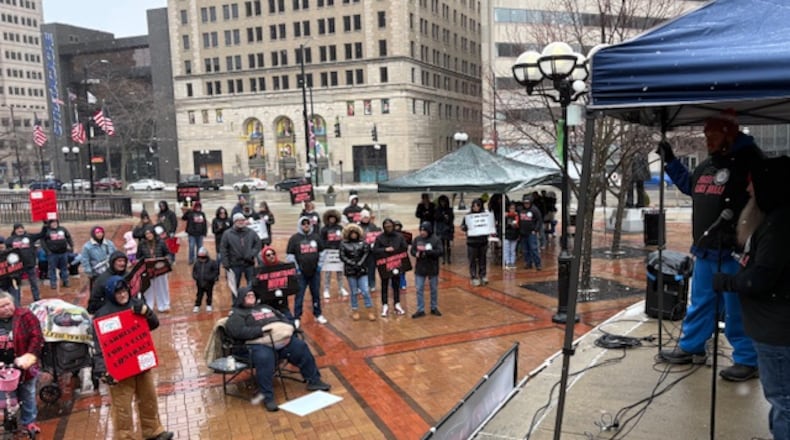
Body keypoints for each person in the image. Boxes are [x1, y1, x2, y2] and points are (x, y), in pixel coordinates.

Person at [658, 109, 762, 381]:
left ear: (729, 134)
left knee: (736, 306)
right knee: (701, 301)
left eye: (712, 136)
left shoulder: (750, 161)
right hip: (706, 249)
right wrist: (670, 161)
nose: (708, 141)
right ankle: (691, 346)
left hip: (734, 252)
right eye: (706, 136)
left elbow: (766, 199)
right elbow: (690, 185)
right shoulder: (709, 164)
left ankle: (747, 359)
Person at [712, 156, 790, 439]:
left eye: (753, 186)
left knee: (783, 399)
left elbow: (761, 278)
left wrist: (729, 281)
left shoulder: (780, 226)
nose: (748, 191)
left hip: (777, 331)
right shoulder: (775, 220)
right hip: (772, 328)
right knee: (781, 398)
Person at [91, 276, 174, 440]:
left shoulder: (136, 305)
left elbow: (154, 324)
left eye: (124, 291)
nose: (122, 295)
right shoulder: (102, 315)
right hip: (119, 370)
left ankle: (153, 431)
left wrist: (147, 312)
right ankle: (125, 437)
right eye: (118, 293)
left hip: (141, 365)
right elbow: (99, 345)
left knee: (149, 399)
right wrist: (102, 370)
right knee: (122, 408)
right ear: (110, 294)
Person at [225, 287, 331, 412]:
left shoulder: (265, 307)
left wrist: (285, 329)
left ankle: (314, 380)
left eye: (252, 295)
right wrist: (262, 331)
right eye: (247, 295)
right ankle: (267, 397)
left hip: (280, 341)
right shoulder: (237, 314)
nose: (251, 297)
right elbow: (237, 332)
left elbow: (282, 318)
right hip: (255, 345)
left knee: (299, 346)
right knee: (265, 357)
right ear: (241, 298)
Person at [0, 289, 44, 434]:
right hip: (3, 367)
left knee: (28, 393)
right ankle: (9, 419)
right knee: (6, 396)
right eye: (2, 307)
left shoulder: (25, 315)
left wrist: (29, 356)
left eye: (8, 304)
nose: (7, 309)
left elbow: (37, 337)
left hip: (27, 365)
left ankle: (29, 422)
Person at [286, 216, 327, 326]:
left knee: (316, 294)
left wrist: (319, 266)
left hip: (315, 272)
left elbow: (322, 253)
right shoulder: (294, 239)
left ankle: (318, 314)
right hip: (301, 273)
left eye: (307, 223)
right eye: (303, 224)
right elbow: (290, 255)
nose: (306, 226)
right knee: (299, 295)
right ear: (300, 225)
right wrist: (296, 268)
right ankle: (297, 316)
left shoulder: (316, 237)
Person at [339, 224, 375, 321]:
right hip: (350, 270)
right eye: (352, 233)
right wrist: (352, 263)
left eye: (355, 233)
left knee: (365, 291)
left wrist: (359, 263)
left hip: (362, 270)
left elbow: (366, 253)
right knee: (354, 292)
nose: (354, 235)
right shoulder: (343, 244)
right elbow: (342, 256)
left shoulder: (363, 243)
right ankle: (355, 310)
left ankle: (370, 310)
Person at [372, 218, 408, 316]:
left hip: (396, 263)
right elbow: (375, 250)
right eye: (386, 227)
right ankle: (385, 304)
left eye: (390, 226)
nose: (388, 228)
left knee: (396, 284)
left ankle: (397, 303)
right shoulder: (379, 238)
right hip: (384, 265)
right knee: (384, 285)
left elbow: (404, 247)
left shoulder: (399, 236)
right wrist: (385, 249)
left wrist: (395, 250)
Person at [220, 213, 261, 292]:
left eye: (242, 220)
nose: (241, 222)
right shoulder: (227, 234)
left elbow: (258, 244)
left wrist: (252, 254)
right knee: (234, 286)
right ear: (234, 222)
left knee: (252, 284)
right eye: (238, 220)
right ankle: (236, 303)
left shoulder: (251, 232)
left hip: (249, 263)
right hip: (234, 264)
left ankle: (251, 301)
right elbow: (223, 249)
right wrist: (225, 263)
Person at [410, 221, 443, 318]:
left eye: (424, 230)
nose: (422, 232)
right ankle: (420, 309)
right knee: (419, 289)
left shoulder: (436, 239)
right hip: (420, 268)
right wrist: (415, 253)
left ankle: (434, 307)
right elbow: (412, 250)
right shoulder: (417, 239)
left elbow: (440, 252)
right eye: (421, 230)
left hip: (432, 267)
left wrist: (430, 252)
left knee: (433, 289)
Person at [137, 226, 173, 313]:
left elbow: (168, 253)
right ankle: (149, 305)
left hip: (160, 268)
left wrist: (166, 260)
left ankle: (164, 304)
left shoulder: (160, 242)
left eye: (150, 233)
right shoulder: (142, 244)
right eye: (147, 234)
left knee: (162, 287)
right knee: (148, 288)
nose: (149, 235)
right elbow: (138, 256)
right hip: (148, 269)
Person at [5, 224, 44, 304]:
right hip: (18, 267)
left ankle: (37, 299)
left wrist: (46, 224)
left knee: (34, 283)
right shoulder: (10, 240)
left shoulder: (29, 237)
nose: (20, 230)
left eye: (21, 228)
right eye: (18, 229)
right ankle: (17, 302)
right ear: (15, 230)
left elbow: (41, 234)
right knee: (17, 285)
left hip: (30, 264)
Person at [320, 209, 348, 299]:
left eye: (333, 218)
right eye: (330, 218)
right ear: (328, 219)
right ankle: (326, 289)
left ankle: (341, 288)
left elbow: (343, 239)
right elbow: (322, 241)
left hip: (338, 252)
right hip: (328, 253)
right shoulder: (324, 229)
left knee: (340, 272)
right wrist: (325, 248)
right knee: (328, 273)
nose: (332, 220)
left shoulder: (340, 228)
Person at [81, 225, 118, 294]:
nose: (99, 234)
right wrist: (89, 272)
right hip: (96, 272)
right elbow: (85, 260)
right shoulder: (87, 246)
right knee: (97, 290)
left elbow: (115, 254)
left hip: (110, 270)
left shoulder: (109, 243)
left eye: (101, 232)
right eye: (97, 233)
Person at [460, 199, 489, 286]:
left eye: (478, 206)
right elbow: (463, 226)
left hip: (482, 241)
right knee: (472, 260)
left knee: (482, 259)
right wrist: (465, 227)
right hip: (472, 242)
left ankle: (483, 275)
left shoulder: (484, 215)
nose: (476, 207)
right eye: (474, 206)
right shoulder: (468, 216)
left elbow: (488, 225)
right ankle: (473, 276)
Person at [40, 218, 74, 289]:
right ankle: (53, 283)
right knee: (52, 269)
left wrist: (71, 246)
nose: (54, 224)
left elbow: (68, 237)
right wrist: (47, 251)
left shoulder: (63, 229)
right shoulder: (46, 231)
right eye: (52, 223)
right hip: (52, 254)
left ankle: (65, 281)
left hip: (63, 252)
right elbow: (43, 242)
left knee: (64, 268)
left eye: (55, 222)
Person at [519, 196, 543, 271]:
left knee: (533, 248)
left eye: (528, 203)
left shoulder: (534, 210)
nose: (526, 204)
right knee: (525, 250)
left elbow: (539, 220)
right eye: (525, 203)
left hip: (531, 233)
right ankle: (528, 263)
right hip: (523, 233)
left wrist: (535, 230)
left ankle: (538, 264)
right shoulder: (521, 210)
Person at [192, 247, 219, 313]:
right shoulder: (196, 263)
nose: (201, 259)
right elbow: (194, 271)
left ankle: (209, 305)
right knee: (199, 294)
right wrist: (196, 277)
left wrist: (212, 278)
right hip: (199, 282)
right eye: (200, 257)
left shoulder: (212, 263)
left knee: (209, 294)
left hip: (209, 283)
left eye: (203, 257)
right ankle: (197, 305)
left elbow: (216, 272)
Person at [182, 200, 208, 265]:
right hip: (192, 234)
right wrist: (187, 211)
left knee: (200, 247)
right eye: (197, 206)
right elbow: (183, 218)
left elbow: (204, 224)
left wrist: (205, 232)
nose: (198, 208)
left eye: (199, 206)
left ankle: (198, 259)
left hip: (200, 234)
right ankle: (191, 259)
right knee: (191, 246)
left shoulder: (202, 214)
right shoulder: (190, 213)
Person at [434, 195, 455, 265]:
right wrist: (442, 216)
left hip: (448, 229)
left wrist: (448, 218)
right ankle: (443, 258)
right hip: (441, 229)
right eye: (441, 202)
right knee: (442, 244)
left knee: (448, 245)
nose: (443, 203)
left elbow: (451, 219)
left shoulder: (449, 209)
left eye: (444, 202)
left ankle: (448, 258)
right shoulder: (437, 210)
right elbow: (436, 218)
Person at [503, 202, 520, 270]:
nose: (512, 210)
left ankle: (512, 262)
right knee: (507, 249)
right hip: (507, 235)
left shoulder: (517, 216)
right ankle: (507, 262)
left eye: (513, 208)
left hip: (514, 235)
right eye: (511, 208)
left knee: (512, 250)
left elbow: (519, 226)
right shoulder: (505, 216)